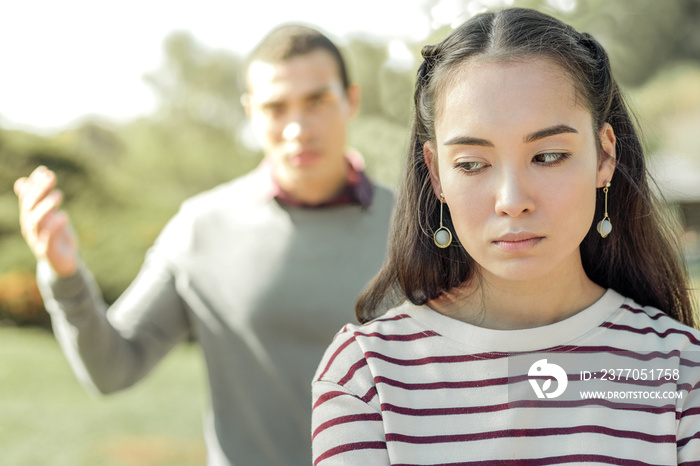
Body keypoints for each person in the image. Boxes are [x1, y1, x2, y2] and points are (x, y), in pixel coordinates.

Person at [312, 7, 700, 465]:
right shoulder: (366, 377)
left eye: (549, 155)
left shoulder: (680, 371)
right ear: (436, 173)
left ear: (604, 157)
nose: (512, 199)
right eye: (472, 164)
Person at [14, 25, 394, 466]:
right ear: (251, 112)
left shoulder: (414, 226)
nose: (297, 128)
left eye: (317, 101)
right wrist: (64, 276)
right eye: (275, 107)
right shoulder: (201, 228)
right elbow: (112, 369)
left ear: (351, 99)